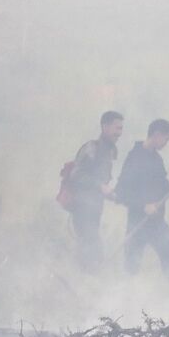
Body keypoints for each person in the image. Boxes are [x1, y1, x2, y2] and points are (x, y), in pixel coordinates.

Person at [114, 119, 169, 284]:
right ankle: (125, 301)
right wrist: (143, 206)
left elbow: (160, 185)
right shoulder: (135, 157)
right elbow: (121, 192)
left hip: (157, 223)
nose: (167, 143)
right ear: (157, 135)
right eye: (166, 139)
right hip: (138, 223)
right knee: (131, 267)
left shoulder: (157, 159)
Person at [65, 111, 123, 272]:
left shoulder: (111, 151)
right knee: (91, 248)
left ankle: (87, 278)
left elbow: (102, 181)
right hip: (82, 207)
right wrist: (99, 186)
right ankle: (86, 281)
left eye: (121, 129)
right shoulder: (91, 148)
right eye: (116, 128)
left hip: (95, 208)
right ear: (105, 126)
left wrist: (110, 193)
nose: (119, 133)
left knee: (90, 246)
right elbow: (76, 175)